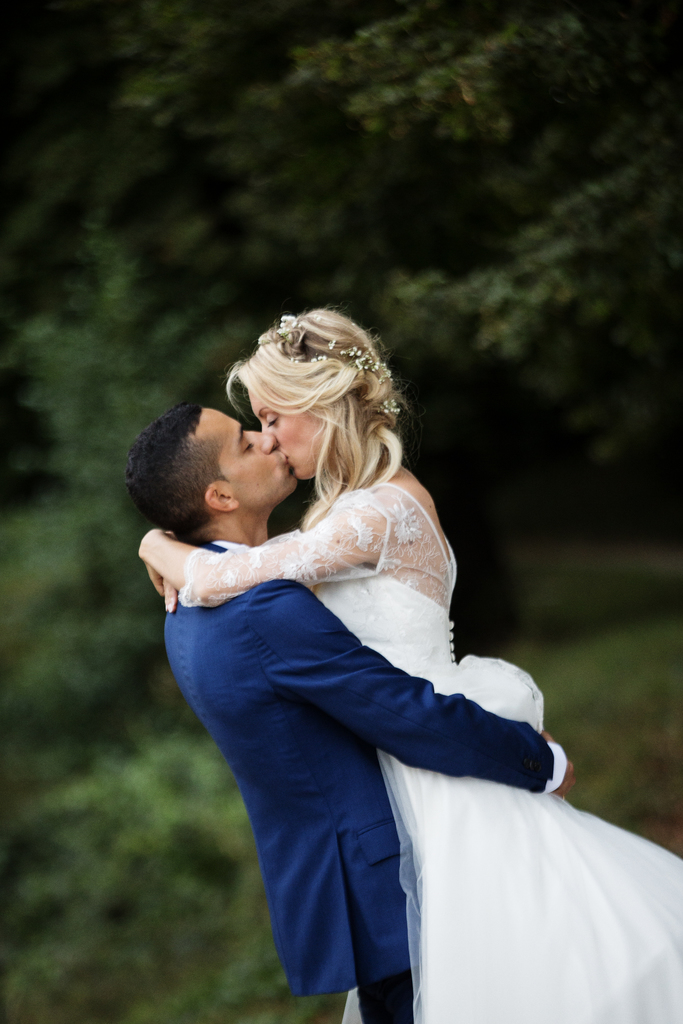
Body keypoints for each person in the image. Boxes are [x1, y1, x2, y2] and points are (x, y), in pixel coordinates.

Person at [138, 310, 683, 1024]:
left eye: (270, 418)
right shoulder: (329, 525)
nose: (268, 438)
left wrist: (157, 545)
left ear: (320, 406)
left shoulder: (371, 515)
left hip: (440, 775)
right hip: (404, 795)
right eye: (253, 430)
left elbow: (240, 582)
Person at [125, 401, 569, 1024]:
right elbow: (405, 712)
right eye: (245, 442)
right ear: (220, 495)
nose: (266, 440)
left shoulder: (185, 612)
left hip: (334, 891)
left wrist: (156, 541)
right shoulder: (263, 611)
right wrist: (538, 760)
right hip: (389, 886)